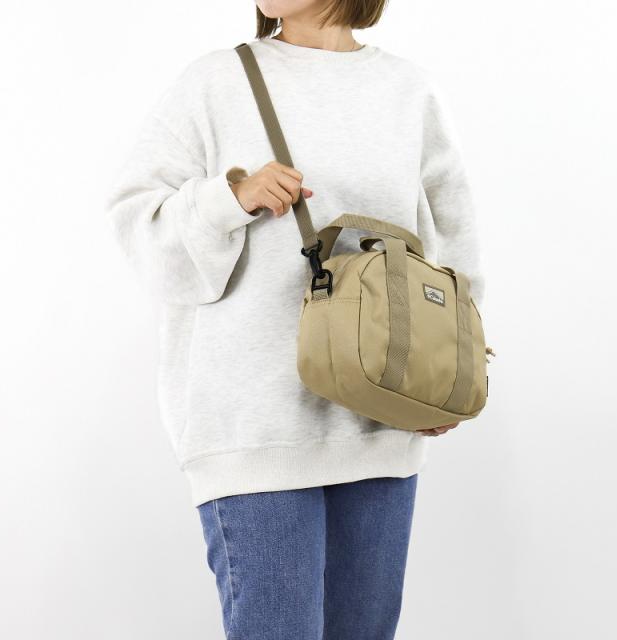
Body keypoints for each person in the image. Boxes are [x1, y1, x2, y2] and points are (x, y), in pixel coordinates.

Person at [106, 1, 485, 638]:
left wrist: (453, 372)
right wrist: (229, 199)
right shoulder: (216, 82)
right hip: (255, 428)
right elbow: (135, 224)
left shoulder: (407, 90)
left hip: (381, 422)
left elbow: (453, 248)